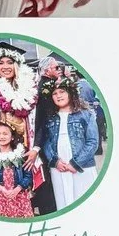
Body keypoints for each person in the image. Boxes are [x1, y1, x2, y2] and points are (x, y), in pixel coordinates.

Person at [36, 79, 100, 210]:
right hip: (60, 167)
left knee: (84, 202)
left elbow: (92, 141)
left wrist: (76, 163)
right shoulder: (51, 117)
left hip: (82, 165)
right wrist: (54, 161)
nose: (58, 95)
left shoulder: (85, 114)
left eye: (62, 92)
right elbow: (47, 142)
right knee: (63, 200)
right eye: (54, 93)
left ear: (71, 93)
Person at [0, 119, 35, 218]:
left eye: (5, 134)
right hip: (2, 196)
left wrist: (18, 188)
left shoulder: (20, 154)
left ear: (12, 137)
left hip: (19, 195)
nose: (2, 136)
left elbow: (28, 176)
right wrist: (1, 188)